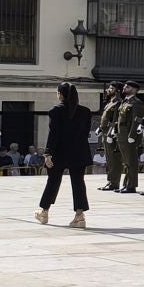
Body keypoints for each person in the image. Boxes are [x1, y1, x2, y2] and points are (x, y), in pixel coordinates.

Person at [35, 81, 92, 228]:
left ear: (60, 94)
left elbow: (54, 134)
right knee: (78, 183)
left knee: (53, 182)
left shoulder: (56, 110)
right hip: (79, 151)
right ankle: (80, 216)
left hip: (59, 152)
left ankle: (44, 212)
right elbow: (85, 134)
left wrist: (48, 154)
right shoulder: (85, 111)